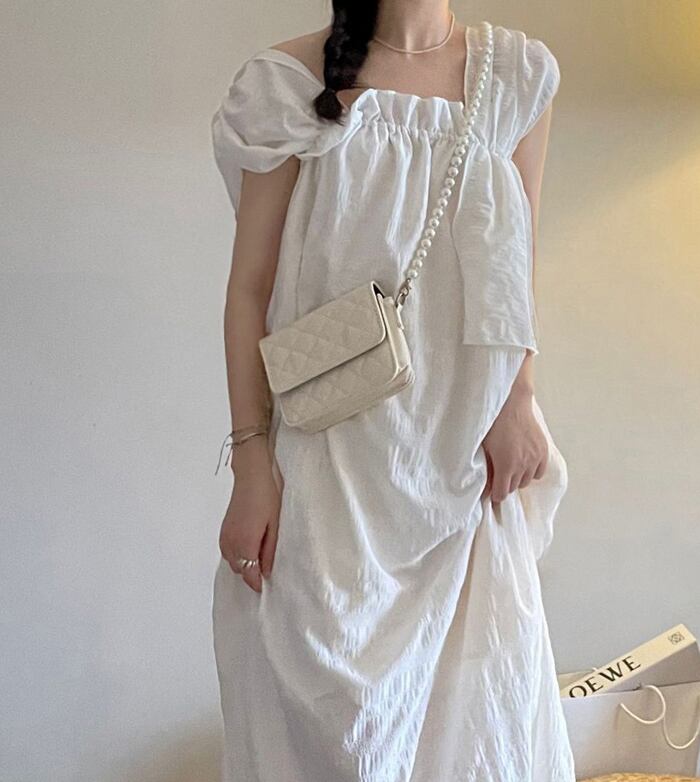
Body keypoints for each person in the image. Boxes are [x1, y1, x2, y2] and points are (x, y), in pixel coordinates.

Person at [210, 3, 576, 780]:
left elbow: (520, 261)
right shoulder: (286, 83)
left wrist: (519, 399)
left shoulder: (516, 76)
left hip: (466, 466)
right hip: (326, 470)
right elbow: (249, 291)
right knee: (330, 726)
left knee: (475, 729)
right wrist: (250, 467)